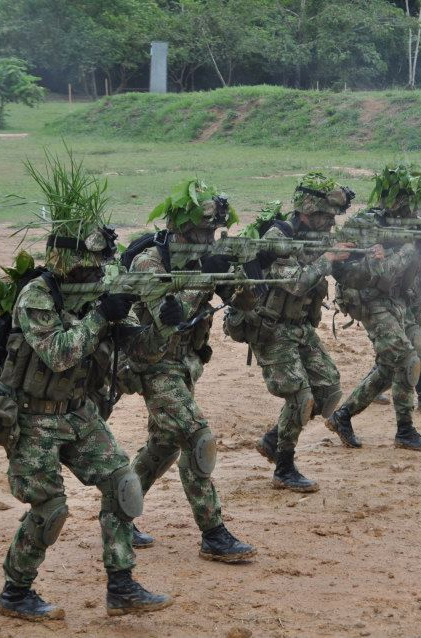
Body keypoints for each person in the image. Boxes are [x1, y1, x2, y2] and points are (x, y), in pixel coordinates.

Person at [0, 155, 172, 619]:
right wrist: (101, 314)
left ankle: (122, 586)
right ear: (68, 257)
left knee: (123, 484)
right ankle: (16, 592)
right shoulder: (38, 294)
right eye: (92, 261)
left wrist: (165, 320)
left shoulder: (99, 291)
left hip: (77, 411)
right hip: (31, 417)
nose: (100, 269)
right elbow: (61, 353)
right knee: (50, 508)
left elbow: (144, 353)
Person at [127, 180, 256, 562]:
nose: (207, 238)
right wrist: (204, 277)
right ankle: (213, 533)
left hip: (187, 364)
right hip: (153, 363)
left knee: (163, 446)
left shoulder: (203, 259)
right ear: (178, 228)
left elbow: (248, 304)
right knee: (197, 438)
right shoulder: (148, 261)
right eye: (199, 232)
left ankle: (117, 512)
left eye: (212, 232)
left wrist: (238, 272)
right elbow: (166, 318)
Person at [224, 175, 356, 492]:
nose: (329, 223)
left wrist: (364, 255)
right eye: (324, 216)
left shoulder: (315, 237)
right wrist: (327, 259)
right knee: (300, 396)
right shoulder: (278, 237)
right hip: (270, 326)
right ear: (307, 212)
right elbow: (295, 282)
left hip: (297, 325)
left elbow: (334, 266)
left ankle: (273, 439)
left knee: (328, 389)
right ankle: (284, 467)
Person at [326, 164, 421, 451]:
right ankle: (405, 430)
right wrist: (401, 250)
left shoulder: (415, 224)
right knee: (406, 358)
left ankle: (343, 415)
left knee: (401, 358)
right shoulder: (364, 225)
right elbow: (349, 271)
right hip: (368, 299)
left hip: (397, 299)